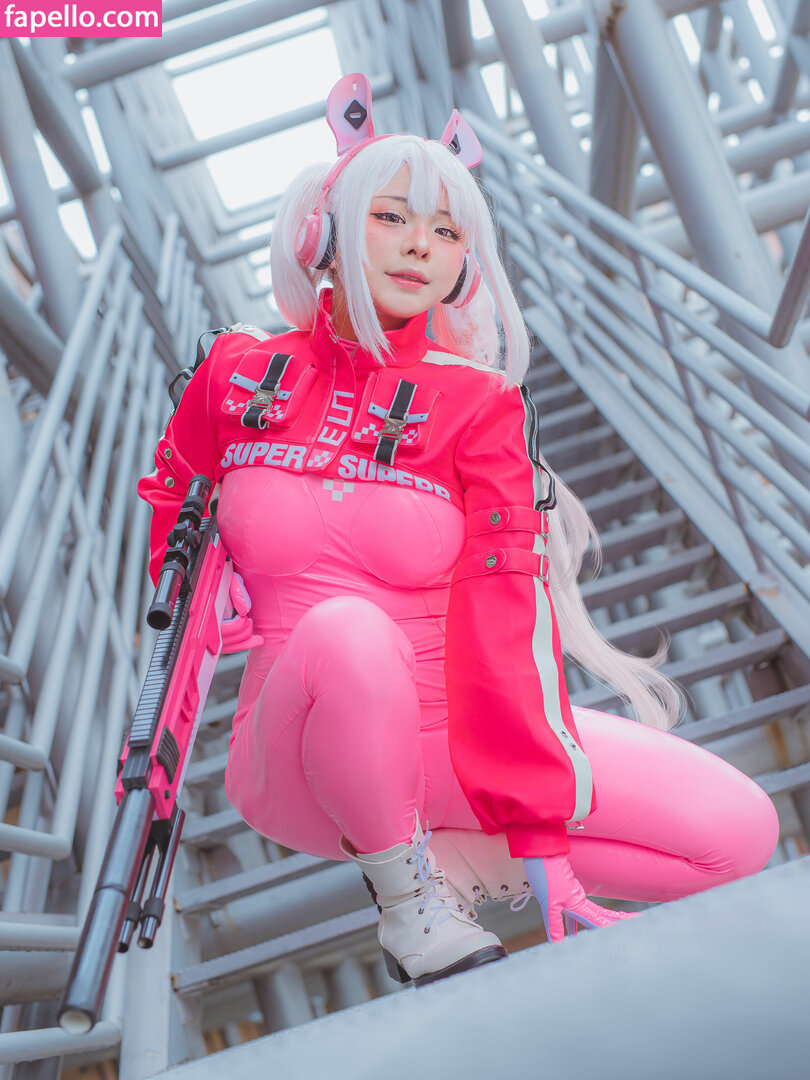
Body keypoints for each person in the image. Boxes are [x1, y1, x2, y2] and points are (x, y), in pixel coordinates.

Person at [138, 74, 779, 988]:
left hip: (465, 734)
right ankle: (408, 905)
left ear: (465, 263)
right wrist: (207, 590)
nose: (421, 246)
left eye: (447, 232)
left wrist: (539, 831)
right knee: (348, 630)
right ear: (323, 233)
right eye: (392, 218)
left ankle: (457, 870)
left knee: (739, 832)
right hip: (301, 748)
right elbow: (172, 486)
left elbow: (508, 611)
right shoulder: (236, 372)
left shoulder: (481, 403)